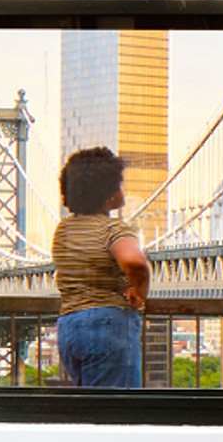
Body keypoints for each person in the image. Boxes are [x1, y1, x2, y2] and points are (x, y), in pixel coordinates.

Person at [50, 148, 150, 389]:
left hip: (70, 327)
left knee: (91, 411)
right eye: (118, 184)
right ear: (109, 195)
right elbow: (134, 262)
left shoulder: (63, 230)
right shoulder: (113, 229)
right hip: (107, 325)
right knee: (115, 414)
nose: (122, 189)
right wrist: (139, 292)